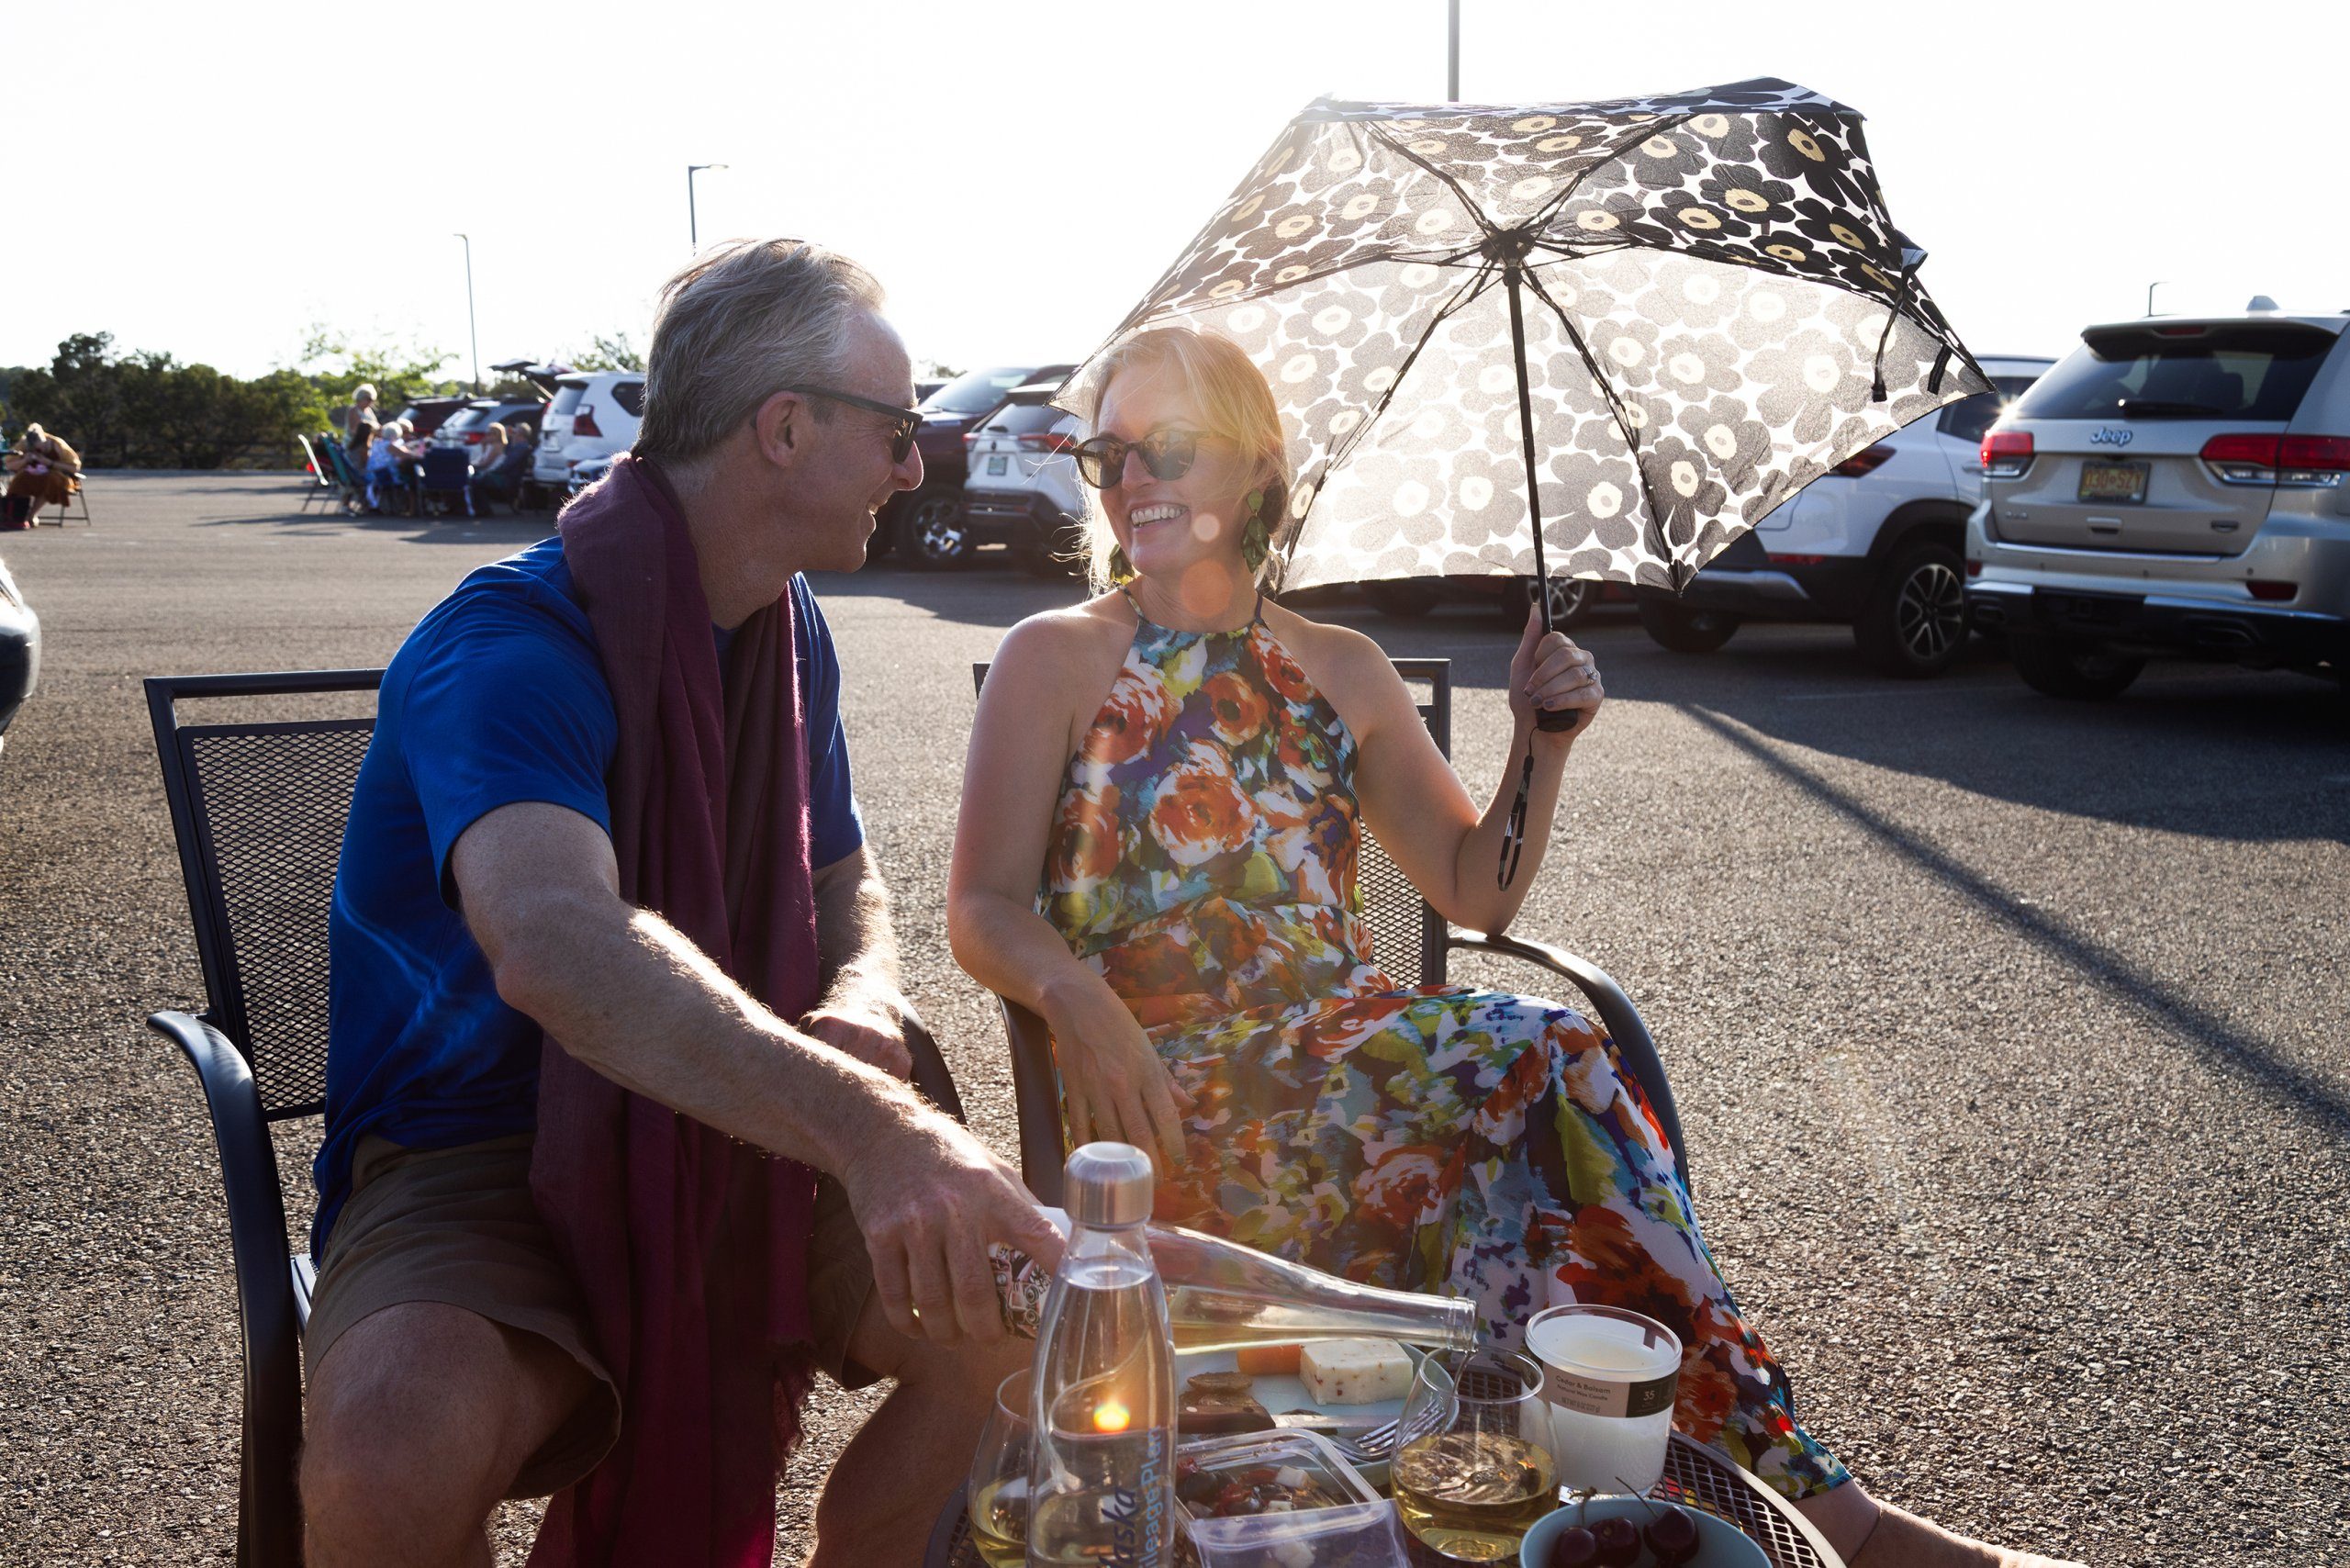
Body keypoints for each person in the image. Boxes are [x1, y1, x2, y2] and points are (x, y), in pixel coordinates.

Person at [947, 326, 2081, 1568]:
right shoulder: (1056, 657)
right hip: (1169, 1102)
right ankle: (1820, 1523)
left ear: (1254, 464)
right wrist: (1081, 1000)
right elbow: (983, 906)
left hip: (1351, 1084)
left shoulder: (1340, 668)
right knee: (1542, 1058)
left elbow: (1473, 888)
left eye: (1166, 445)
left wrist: (1541, 742)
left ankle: (1607, 1515)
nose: (1130, 478)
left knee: (1537, 1205)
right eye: (1108, 452)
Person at [301, 238, 1059, 1568]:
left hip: (742, 1120)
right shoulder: (510, 647)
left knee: (1017, 1319)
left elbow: (843, 877)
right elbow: (555, 944)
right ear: (783, 428)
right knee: (387, 1457)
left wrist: (863, 993)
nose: (915, 463)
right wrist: (880, 1133)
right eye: (894, 429)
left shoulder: (784, 622)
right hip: (481, 1148)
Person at [4, 423, 83, 521]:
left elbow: (75, 467)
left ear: (44, 441)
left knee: (50, 481)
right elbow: (8, 464)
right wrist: (24, 460)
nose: (37, 451)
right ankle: (19, 513)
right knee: (20, 479)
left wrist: (50, 463)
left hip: (59, 477)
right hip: (31, 476)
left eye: (38, 449)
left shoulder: (58, 444)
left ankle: (32, 515)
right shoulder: (23, 444)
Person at [467, 420, 533, 515]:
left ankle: (483, 509)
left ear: (521, 435)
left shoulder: (521, 447)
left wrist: (494, 471)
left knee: (477, 481)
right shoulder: (514, 446)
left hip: (507, 478)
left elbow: (507, 465)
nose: (512, 434)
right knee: (476, 479)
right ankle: (480, 507)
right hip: (504, 475)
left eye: (515, 432)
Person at [362, 418, 421, 513]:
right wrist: (419, 452)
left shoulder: (377, 442)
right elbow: (407, 455)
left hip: (372, 474)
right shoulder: (390, 445)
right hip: (382, 475)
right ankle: (410, 507)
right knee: (409, 479)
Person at [342, 383, 379, 467]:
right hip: (355, 442)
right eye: (368, 399)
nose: (370, 402)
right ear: (360, 398)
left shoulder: (369, 410)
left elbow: (377, 424)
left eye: (371, 400)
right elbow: (354, 430)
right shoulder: (353, 410)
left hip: (368, 440)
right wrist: (370, 431)